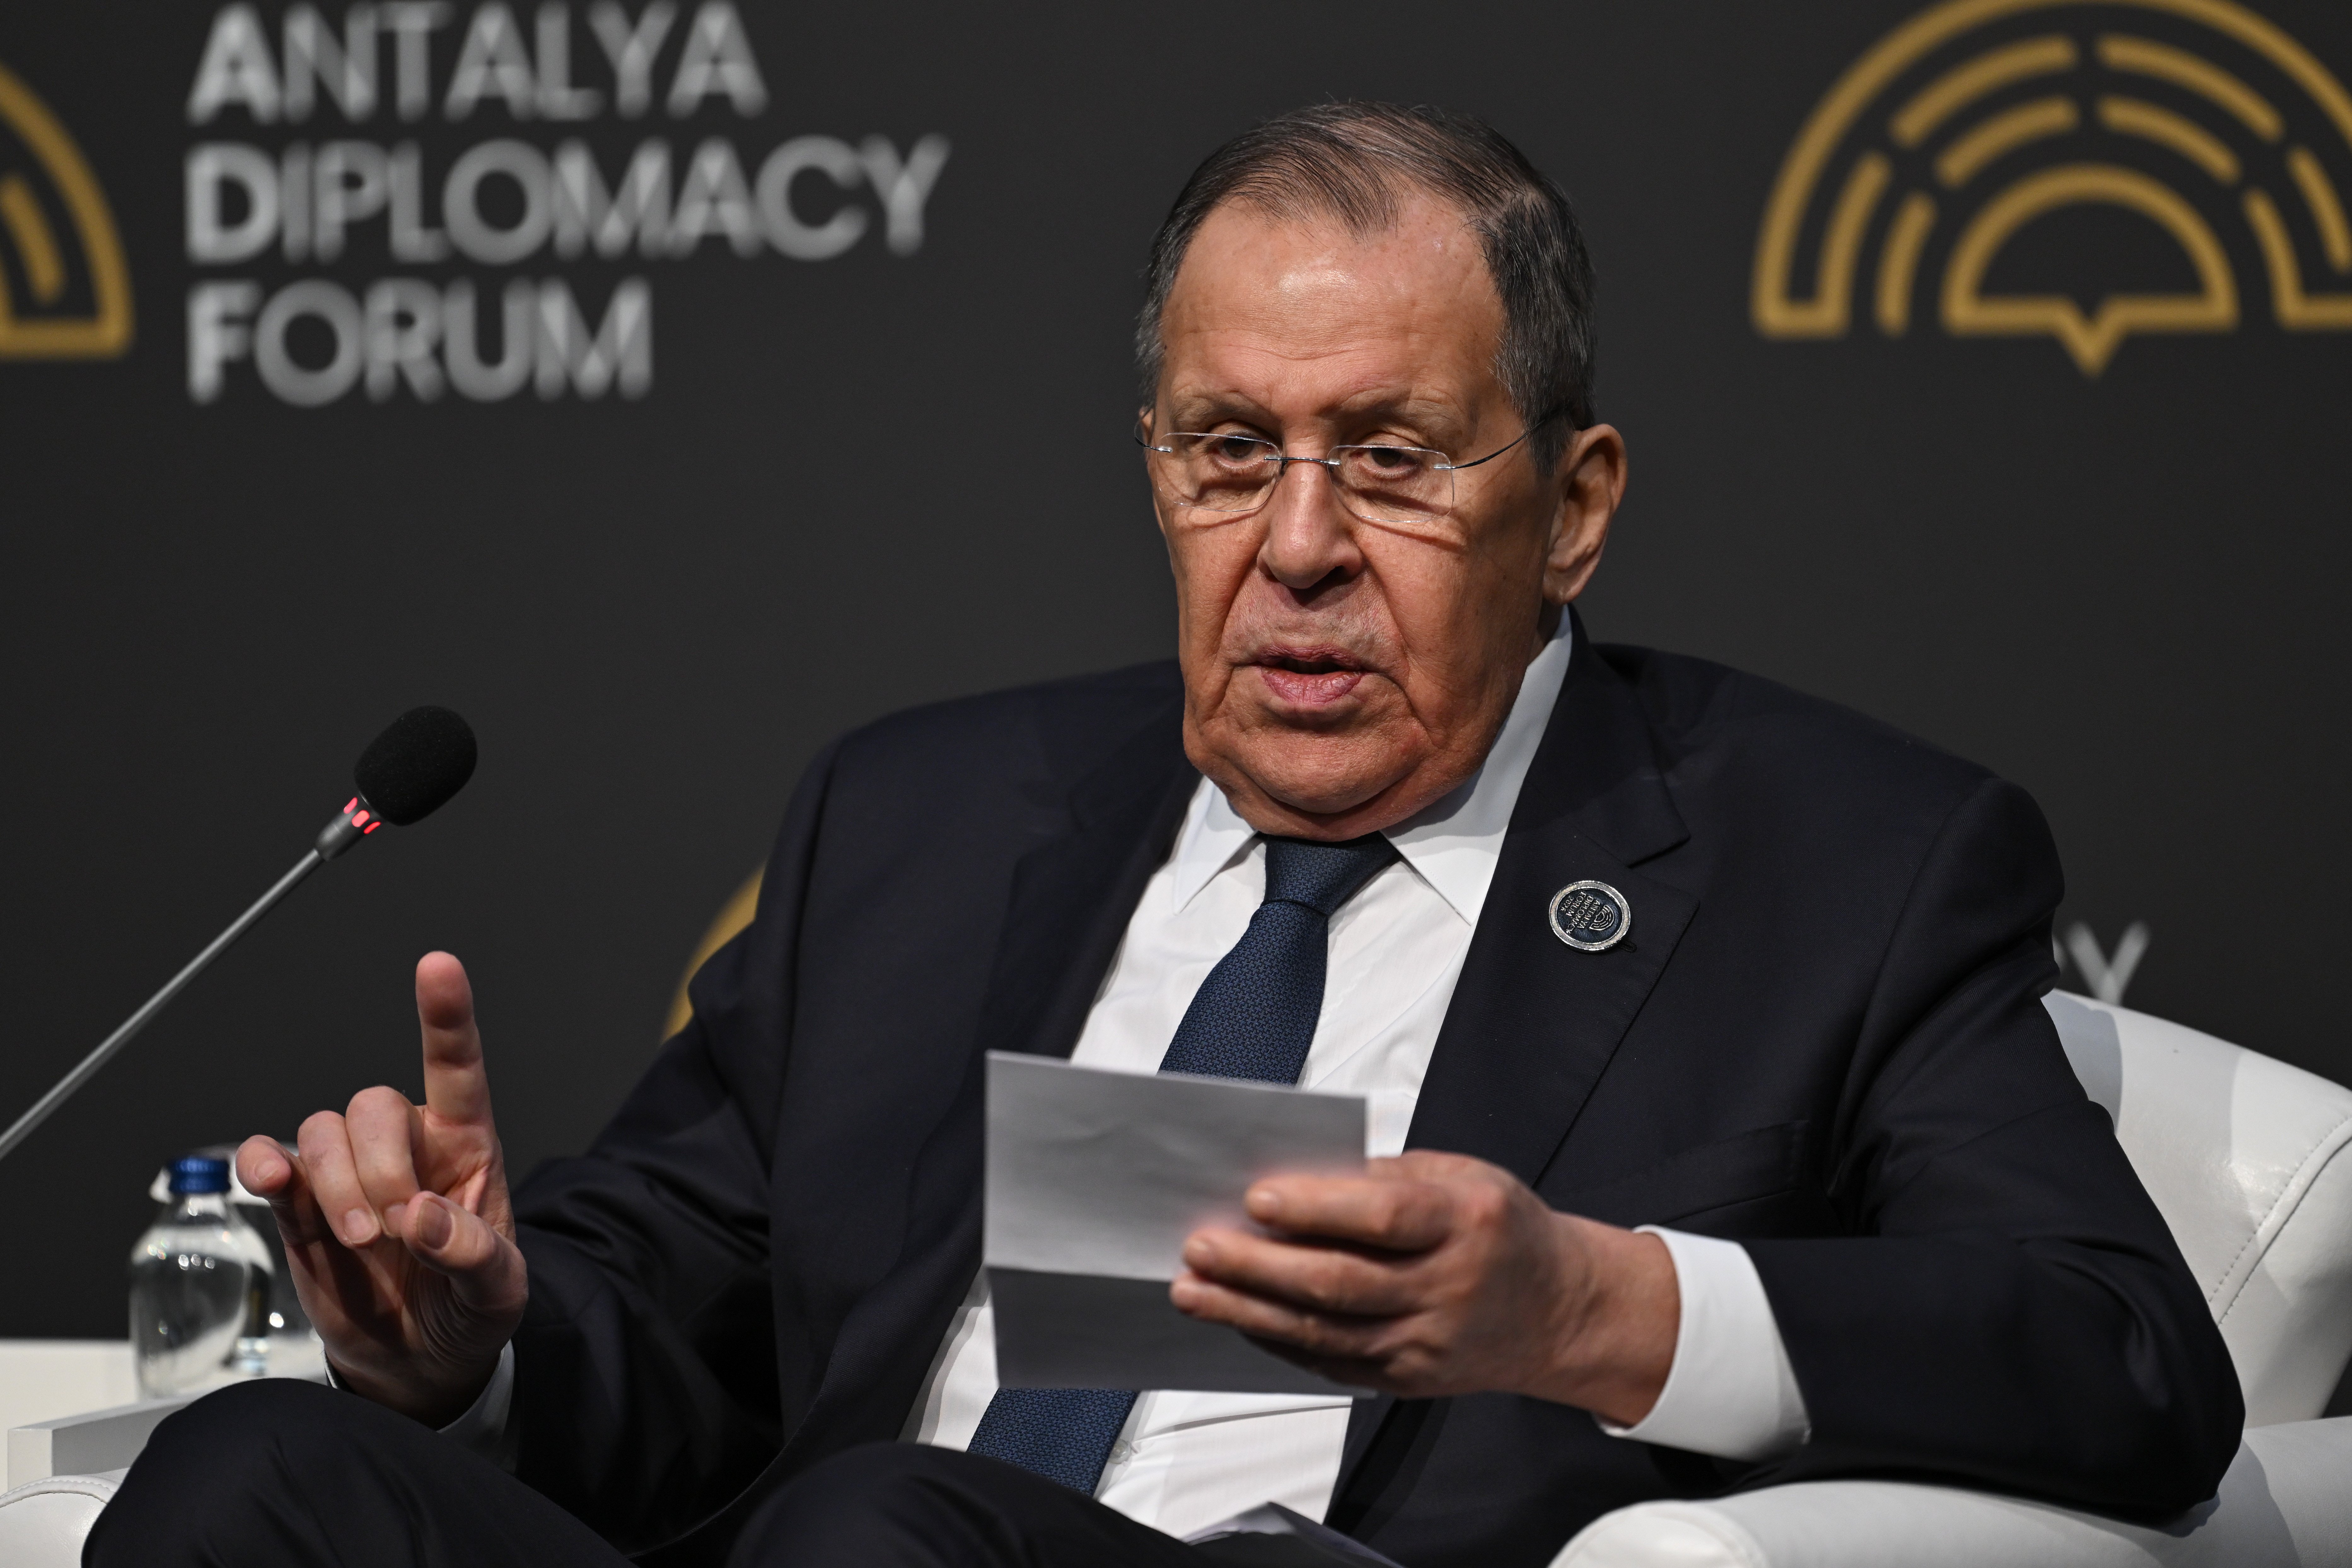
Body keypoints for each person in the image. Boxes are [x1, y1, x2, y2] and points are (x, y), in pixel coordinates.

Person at [91, 102, 2240, 1568]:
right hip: (851, 1547)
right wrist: (477, 1337)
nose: (1294, 546)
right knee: (255, 1467)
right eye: (1230, 452)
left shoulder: (1838, 861)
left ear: (1574, 507)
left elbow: (2132, 1368)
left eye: (1387, 458)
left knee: (872, 1527)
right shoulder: (928, 817)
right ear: (1154, 470)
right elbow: (672, 1322)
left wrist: (1595, 1306)